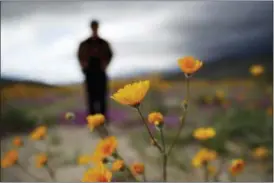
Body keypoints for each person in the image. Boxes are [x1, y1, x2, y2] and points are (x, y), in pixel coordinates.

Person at [77, 20, 113, 123]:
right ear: (91, 27)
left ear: (98, 27)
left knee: (102, 97)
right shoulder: (84, 44)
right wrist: (83, 65)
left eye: (96, 27)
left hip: (101, 73)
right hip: (89, 74)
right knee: (91, 98)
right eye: (93, 27)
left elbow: (110, 55)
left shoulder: (104, 43)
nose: (94, 28)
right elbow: (79, 56)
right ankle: (93, 122)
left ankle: (103, 120)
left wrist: (105, 64)